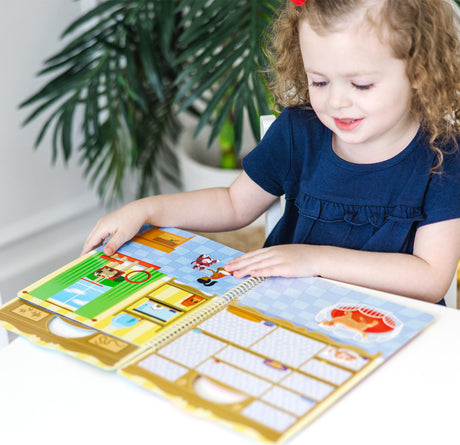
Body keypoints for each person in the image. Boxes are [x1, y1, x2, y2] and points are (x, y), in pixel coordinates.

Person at [82, 0, 460, 305]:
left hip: (391, 330)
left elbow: (429, 279)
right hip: (286, 313)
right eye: (319, 81)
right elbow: (233, 204)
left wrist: (314, 260)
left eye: (361, 85)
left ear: (419, 71)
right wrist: (146, 209)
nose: (336, 102)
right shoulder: (299, 131)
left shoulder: (443, 155)